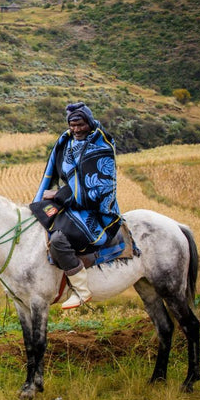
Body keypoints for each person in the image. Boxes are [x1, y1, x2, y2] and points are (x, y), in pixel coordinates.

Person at [30, 102, 122, 309]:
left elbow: (96, 192)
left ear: (89, 122)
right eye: (72, 125)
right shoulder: (67, 142)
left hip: (96, 211)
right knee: (39, 216)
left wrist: (57, 194)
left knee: (58, 241)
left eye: (80, 124)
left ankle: (82, 290)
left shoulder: (102, 148)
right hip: (71, 204)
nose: (76, 129)